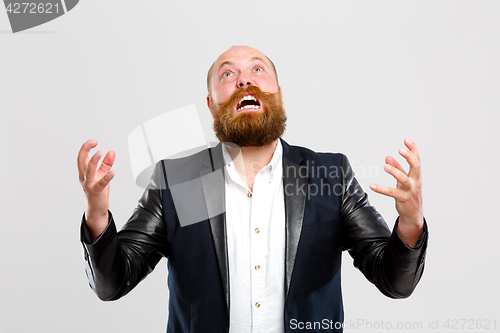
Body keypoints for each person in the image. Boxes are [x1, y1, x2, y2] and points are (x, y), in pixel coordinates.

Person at [77, 46, 428, 333]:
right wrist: (97, 215)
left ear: (277, 93)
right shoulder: (177, 181)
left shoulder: (329, 175)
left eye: (258, 70)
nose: (244, 79)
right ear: (212, 103)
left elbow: (394, 281)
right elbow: (113, 283)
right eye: (227, 74)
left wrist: (411, 222)